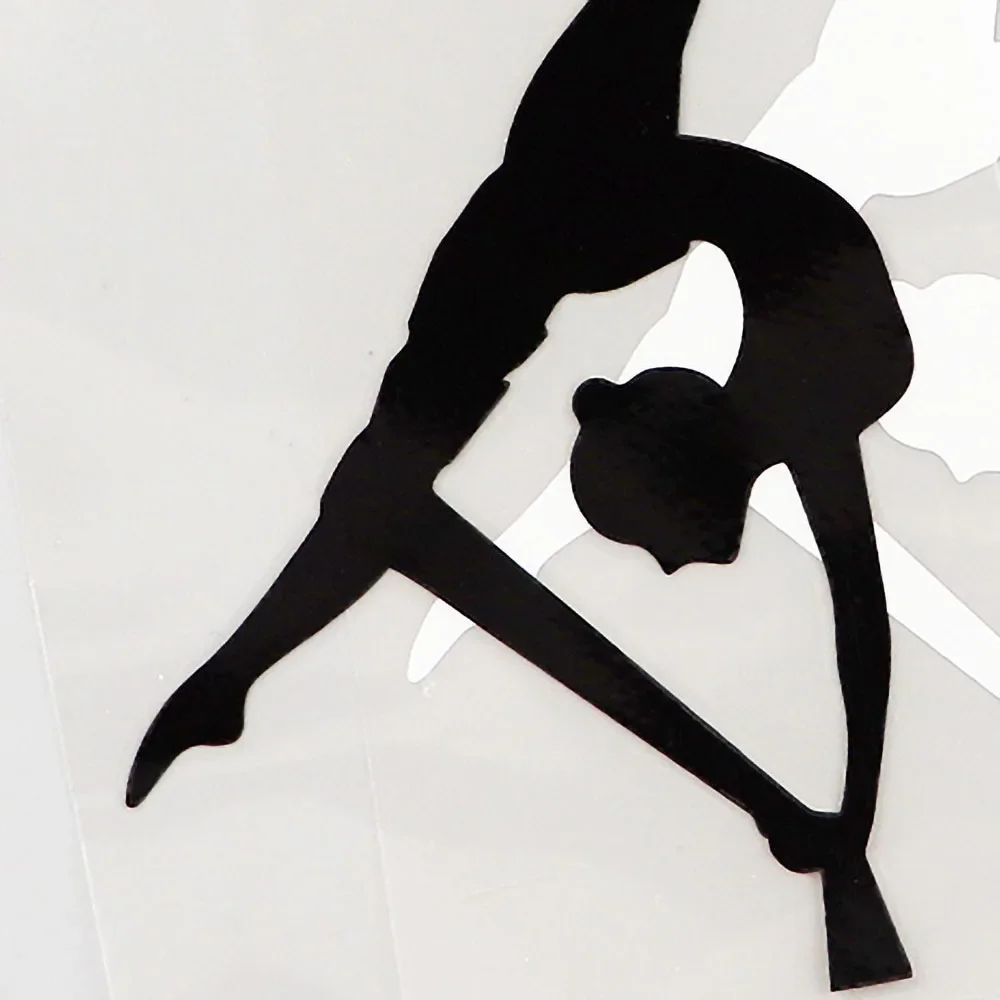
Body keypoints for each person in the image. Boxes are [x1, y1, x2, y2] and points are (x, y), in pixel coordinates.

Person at [127, 0, 913, 986]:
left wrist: (854, 815)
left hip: (563, 214)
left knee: (388, 478)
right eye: (651, 541)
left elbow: (860, 608)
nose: (669, 567)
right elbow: (857, 604)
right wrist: (232, 673)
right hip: (550, 225)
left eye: (644, 543)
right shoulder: (780, 354)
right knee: (385, 480)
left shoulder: (808, 362)